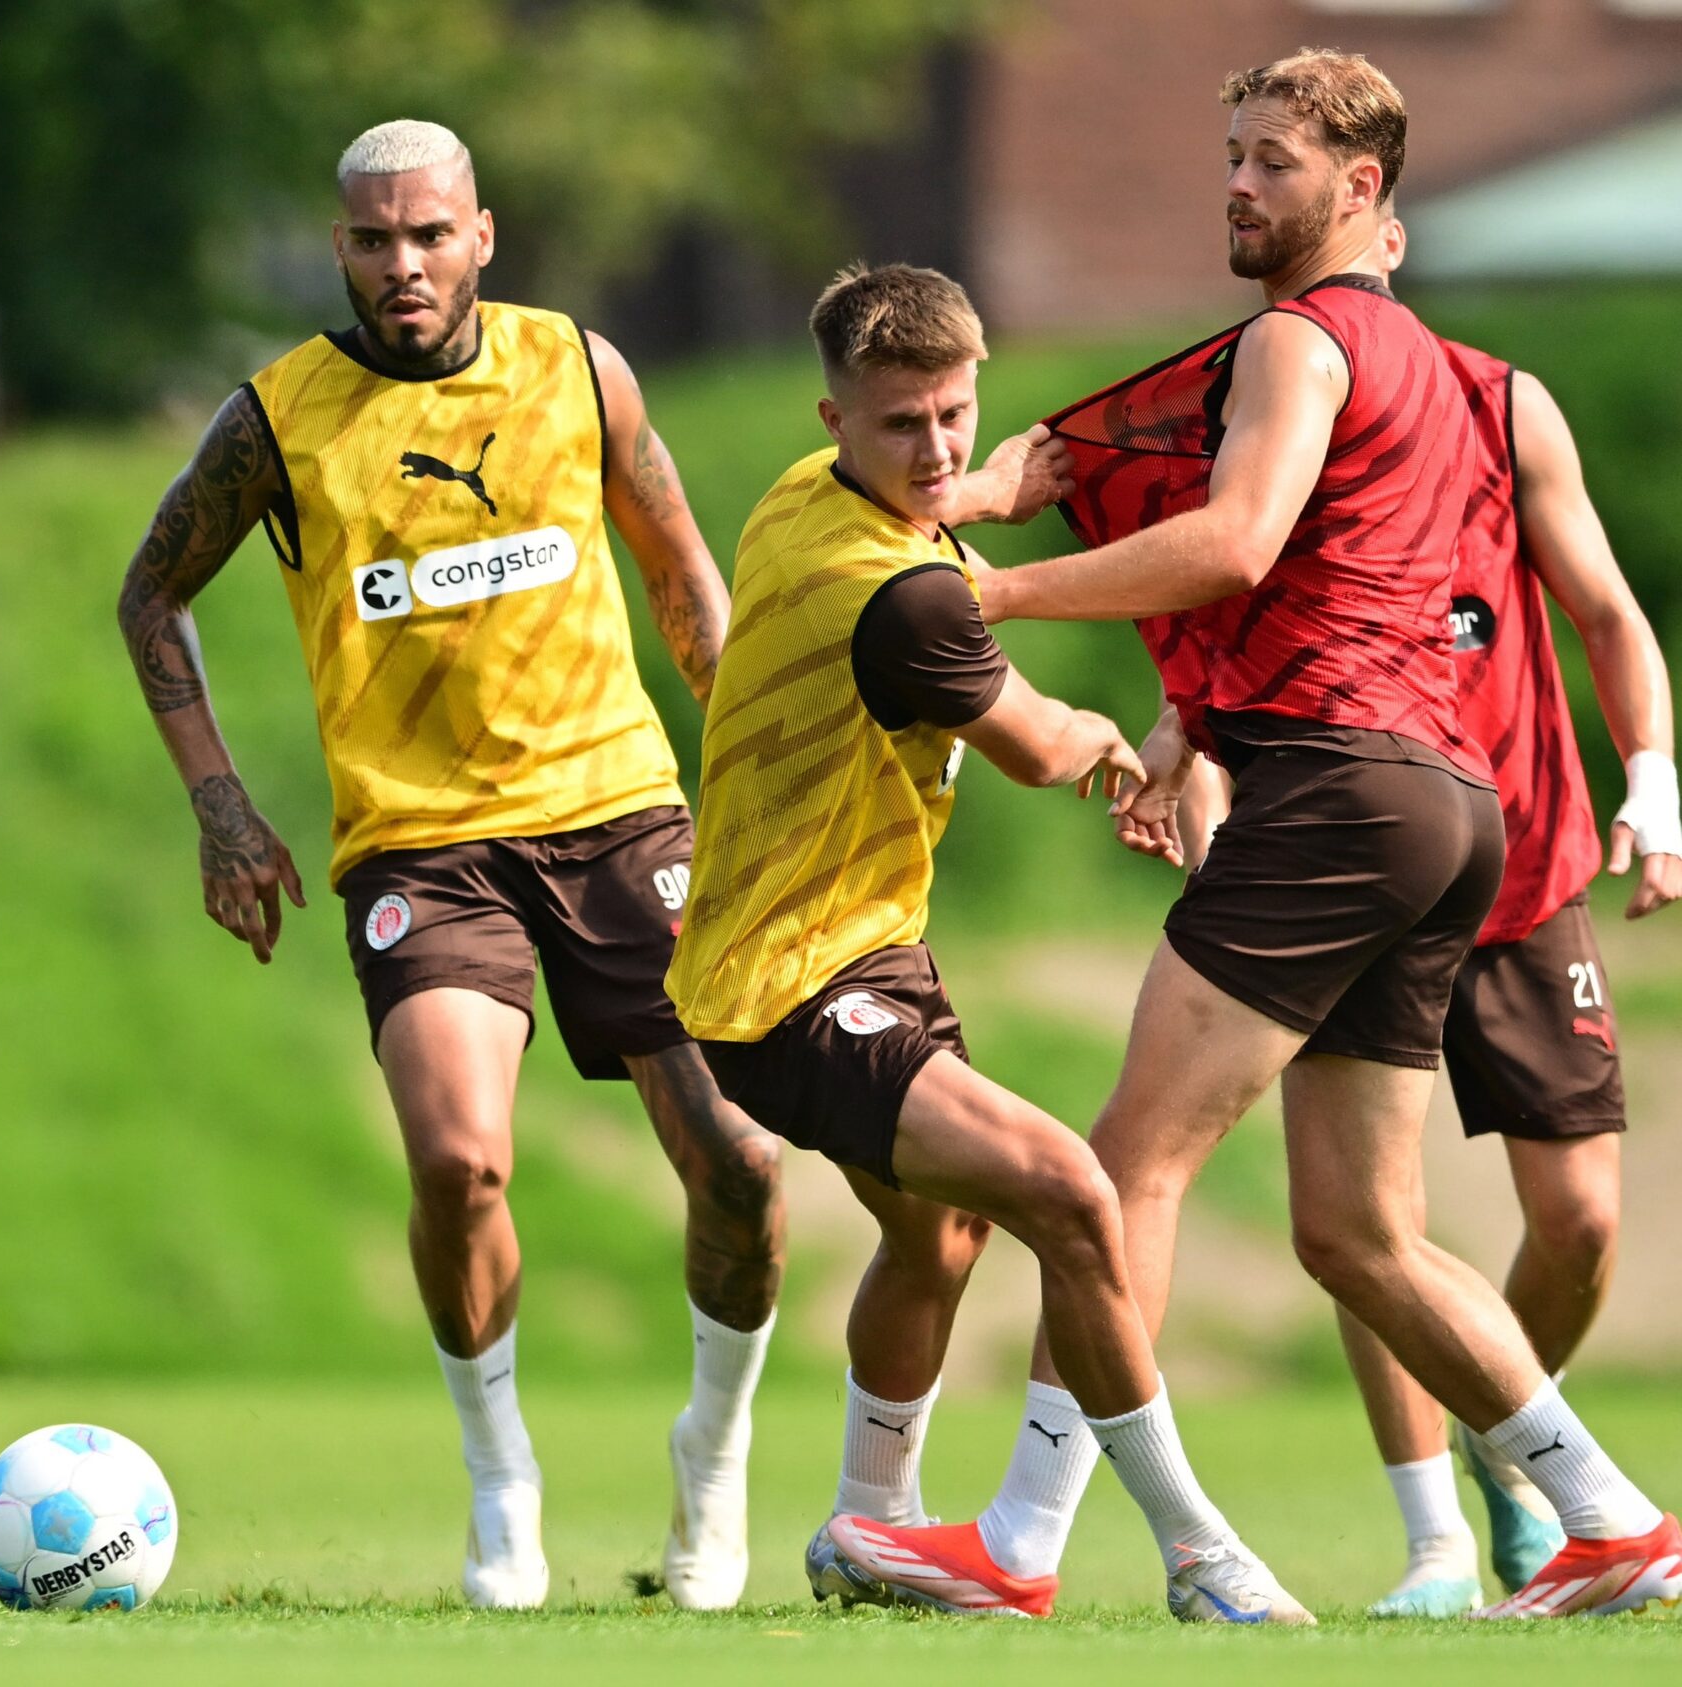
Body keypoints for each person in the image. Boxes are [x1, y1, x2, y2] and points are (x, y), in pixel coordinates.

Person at [851, 49, 1678, 1621]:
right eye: (1231, 154)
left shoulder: (1301, 343)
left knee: (1123, 1171)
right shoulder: (1441, 368)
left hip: (1343, 793)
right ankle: (1615, 1521)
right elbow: (1335, 585)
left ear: (1363, 189)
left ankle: (1019, 1545)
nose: (1236, 183)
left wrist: (997, 591)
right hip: (1446, 804)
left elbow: (1237, 549)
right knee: (1362, 1235)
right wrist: (1191, 718)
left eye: (1273, 161)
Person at [115, 118, 787, 1610]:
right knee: (457, 1159)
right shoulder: (281, 418)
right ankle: (503, 1486)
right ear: (338, 247)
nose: (401, 264)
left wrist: (755, 776)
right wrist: (220, 804)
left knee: (741, 1166)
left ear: (483, 233)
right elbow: (150, 596)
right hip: (423, 842)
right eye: (371, 240)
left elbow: (682, 574)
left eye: (429, 234)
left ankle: (714, 1461)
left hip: (620, 814)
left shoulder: (579, 370)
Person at [674, 260, 1307, 1624]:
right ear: (834, 415)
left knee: (943, 1234)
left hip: (856, 949)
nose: (936, 450)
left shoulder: (803, 490)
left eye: (955, 415)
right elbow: (1032, 746)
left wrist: (1017, 491)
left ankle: (871, 1531)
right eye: (902, 424)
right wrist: (1142, 747)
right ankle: (1201, 1555)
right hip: (783, 985)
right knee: (1073, 1194)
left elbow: (967, 540)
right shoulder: (900, 598)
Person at [1205, 216, 1680, 1616]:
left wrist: (1653, 780)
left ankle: (1518, 1447)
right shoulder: (1286, 398)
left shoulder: (1498, 402)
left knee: (1581, 1220)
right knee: (1369, 1214)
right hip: (1368, 856)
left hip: (1521, 858)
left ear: (1388, 231)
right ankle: (1433, 1547)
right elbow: (1236, 606)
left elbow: (1605, 608)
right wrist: (1196, 752)